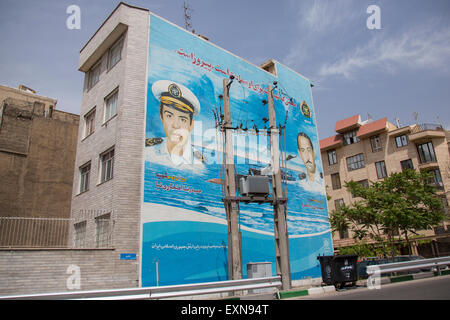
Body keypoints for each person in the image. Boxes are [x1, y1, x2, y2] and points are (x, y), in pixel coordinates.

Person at [145, 80, 204, 168]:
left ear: (191, 125)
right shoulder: (147, 153)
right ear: (162, 117)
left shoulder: (198, 164)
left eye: (183, 119)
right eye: (169, 116)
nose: (176, 126)